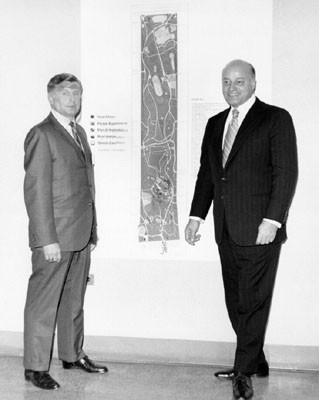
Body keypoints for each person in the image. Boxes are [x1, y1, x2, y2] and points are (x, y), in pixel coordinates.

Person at [185, 60, 298, 399]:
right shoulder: (215, 123)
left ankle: (243, 371)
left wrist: (273, 220)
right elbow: (208, 174)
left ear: (253, 83)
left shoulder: (275, 118)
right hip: (226, 230)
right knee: (236, 300)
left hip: (260, 228)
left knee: (252, 301)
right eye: (226, 82)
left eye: (239, 81)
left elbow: (286, 172)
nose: (232, 88)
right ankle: (256, 360)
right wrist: (196, 216)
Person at [23, 73, 108, 390]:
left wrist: (93, 230)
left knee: (74, 300)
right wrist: (47, 240)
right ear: (51, 98)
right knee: (43, 303)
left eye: (77, 93)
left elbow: (86, 186)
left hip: (81, 234)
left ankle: (72, 355)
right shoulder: (42, 134)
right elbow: (36, 191)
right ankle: (35, 367)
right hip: (55, 239)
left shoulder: (79, 133)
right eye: (66, 93)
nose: (73, 99)